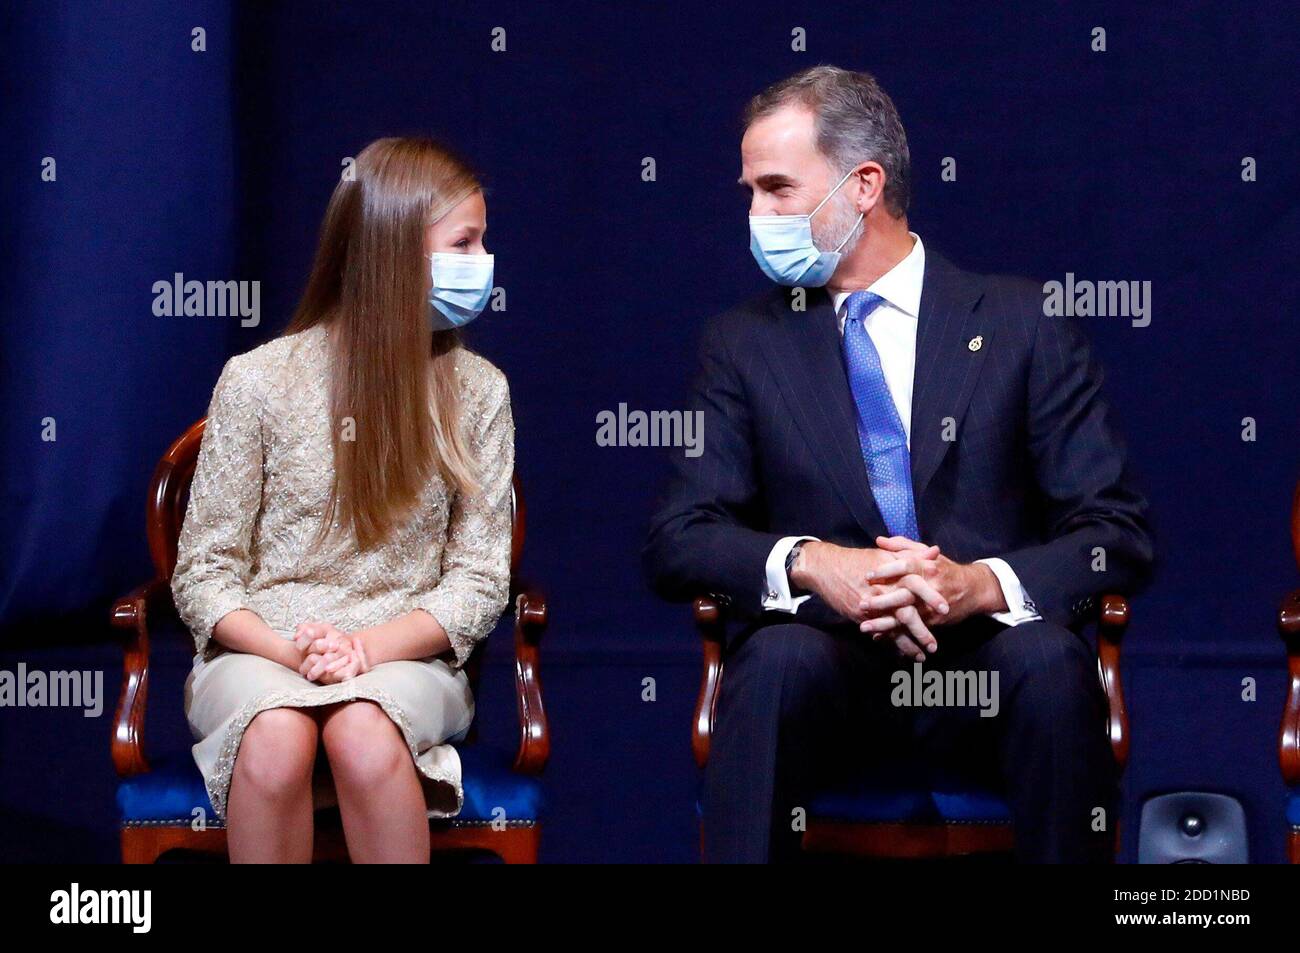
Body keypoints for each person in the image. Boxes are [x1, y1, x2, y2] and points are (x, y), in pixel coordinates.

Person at [644, 66, 1154, 863]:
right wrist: (816, 564)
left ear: (863, 186)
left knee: (1053, 663)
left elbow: (1116, 532)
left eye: (777, 189)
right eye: (748, 192)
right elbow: (681, 537)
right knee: (772, 661)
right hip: (828, 675)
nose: (755, 215)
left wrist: (978, 584)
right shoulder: (743, 344)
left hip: (991, 668)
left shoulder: (1025, 323)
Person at [171, 136, 513, 863]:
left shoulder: (480, 390)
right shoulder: (257, 381)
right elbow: (202, 572)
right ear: (394, 253)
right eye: (466, 241)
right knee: (275, 735)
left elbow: (480, 580)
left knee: (363, 730)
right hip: (263, 651)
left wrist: (366, 649)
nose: (483, 261)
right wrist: (286, 649)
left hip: (406, 659)